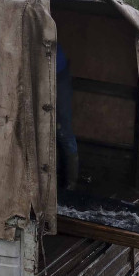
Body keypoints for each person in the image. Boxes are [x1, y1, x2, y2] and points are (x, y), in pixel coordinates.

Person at [56, 43, 79, 190]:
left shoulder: (49, 39)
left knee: (63, 131)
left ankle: (70, 185)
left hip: (59, 77)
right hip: (45, 77)